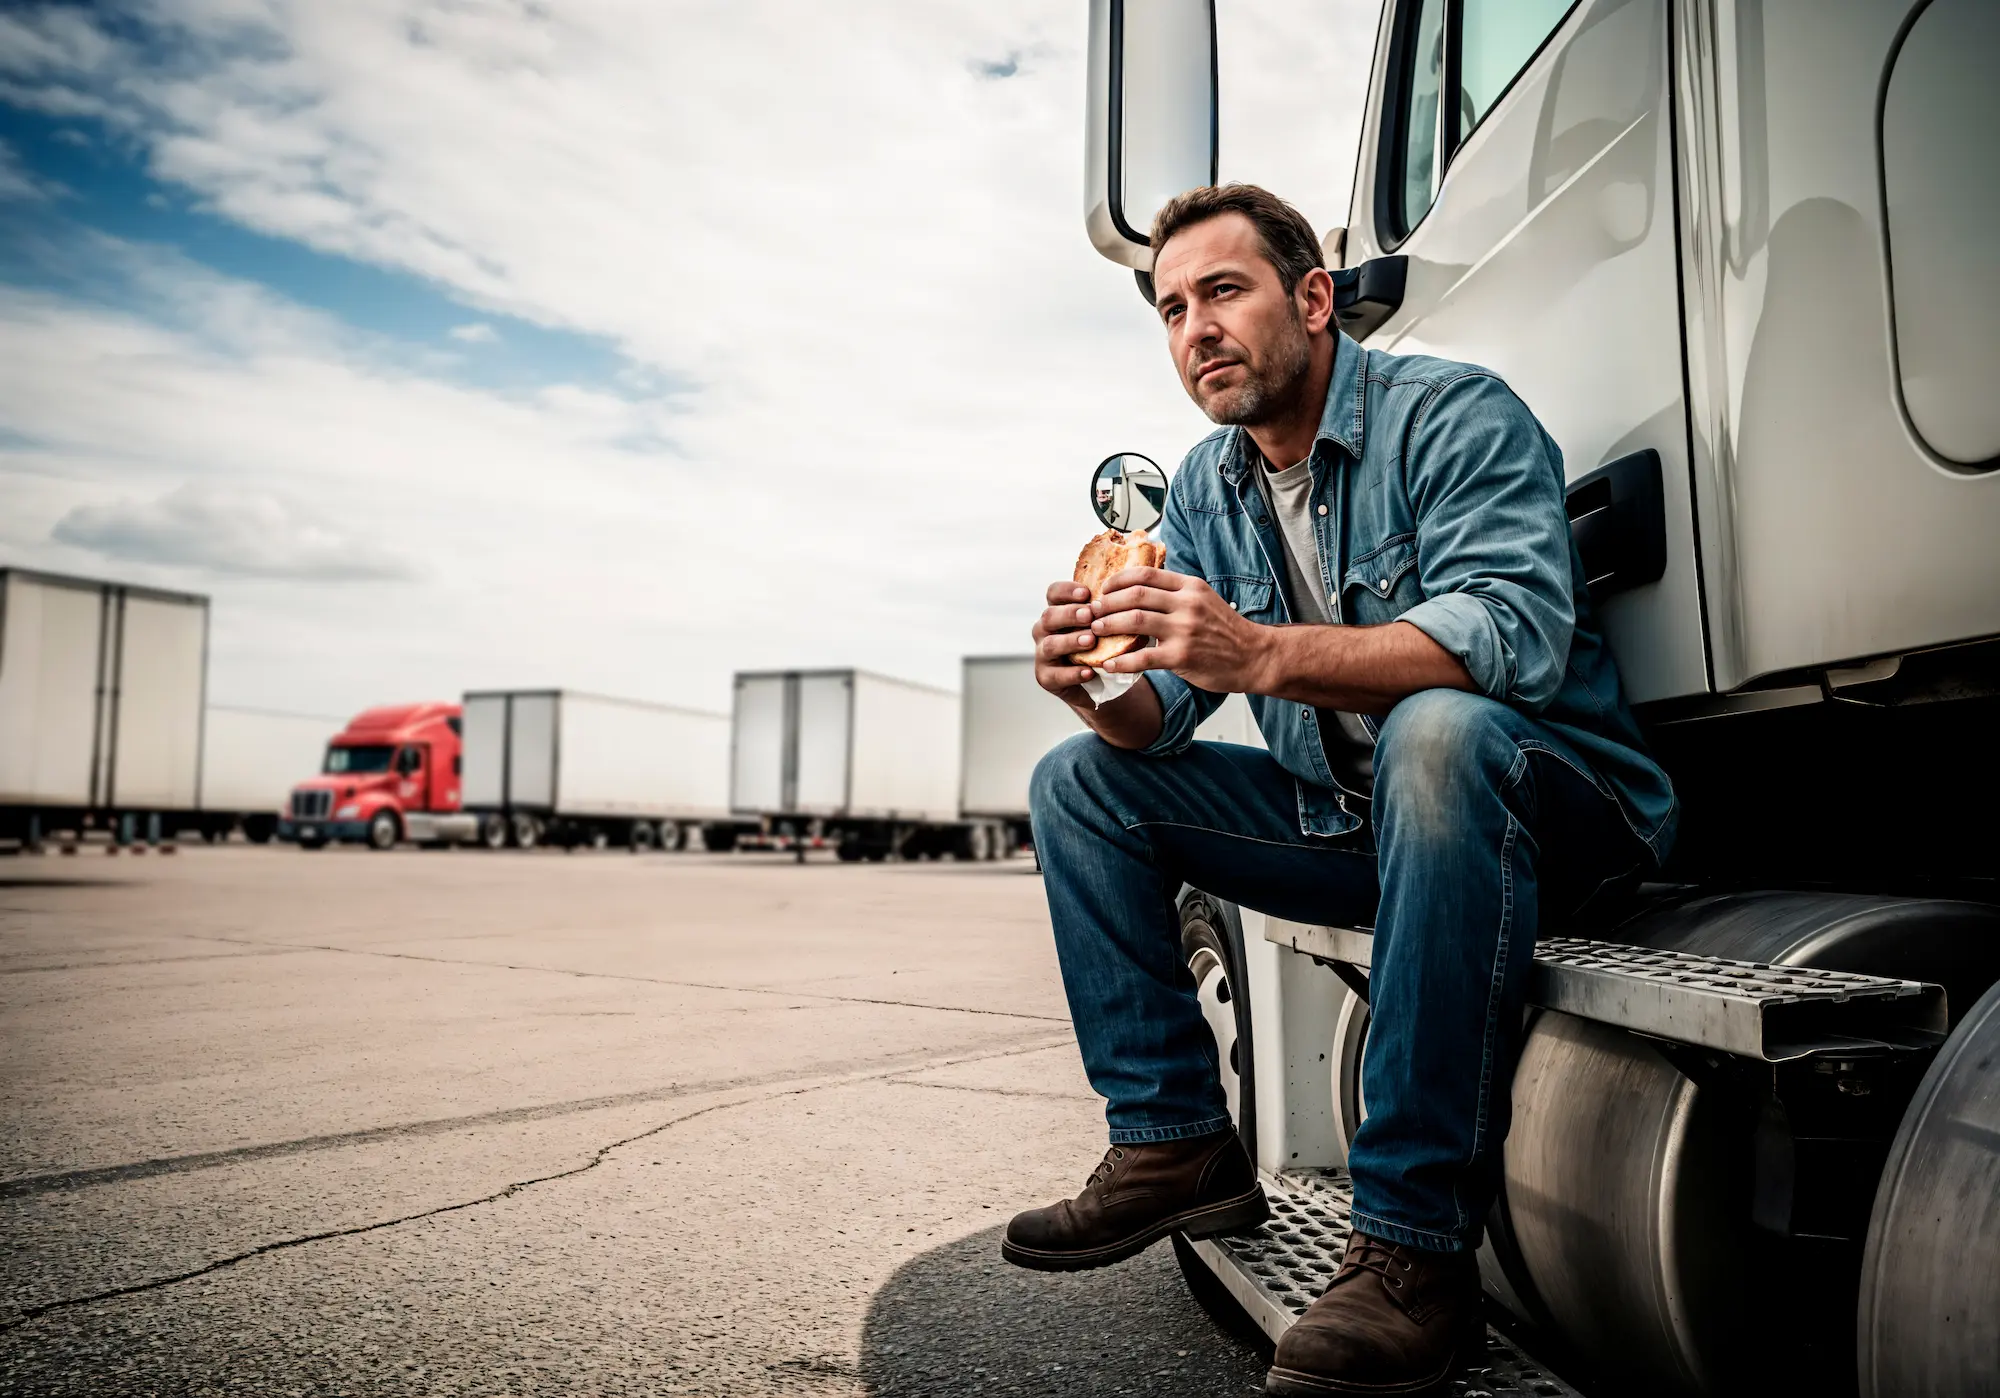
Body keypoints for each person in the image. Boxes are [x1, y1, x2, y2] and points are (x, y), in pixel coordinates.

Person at [1007, 184, 1675, 1397]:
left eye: (1222, 292)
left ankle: (1413, 1256)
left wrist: (1256, 651)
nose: (1193, 331)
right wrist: (1088, 690)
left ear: (1312, 299)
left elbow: (1509, 635)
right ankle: (1174, 1144)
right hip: (1363, 831)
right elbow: (1160, 725)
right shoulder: (1206, 488)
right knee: (1079, 785)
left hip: (1549, 811)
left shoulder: (1452, 415)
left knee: (1434, 730)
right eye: (1168, 310)